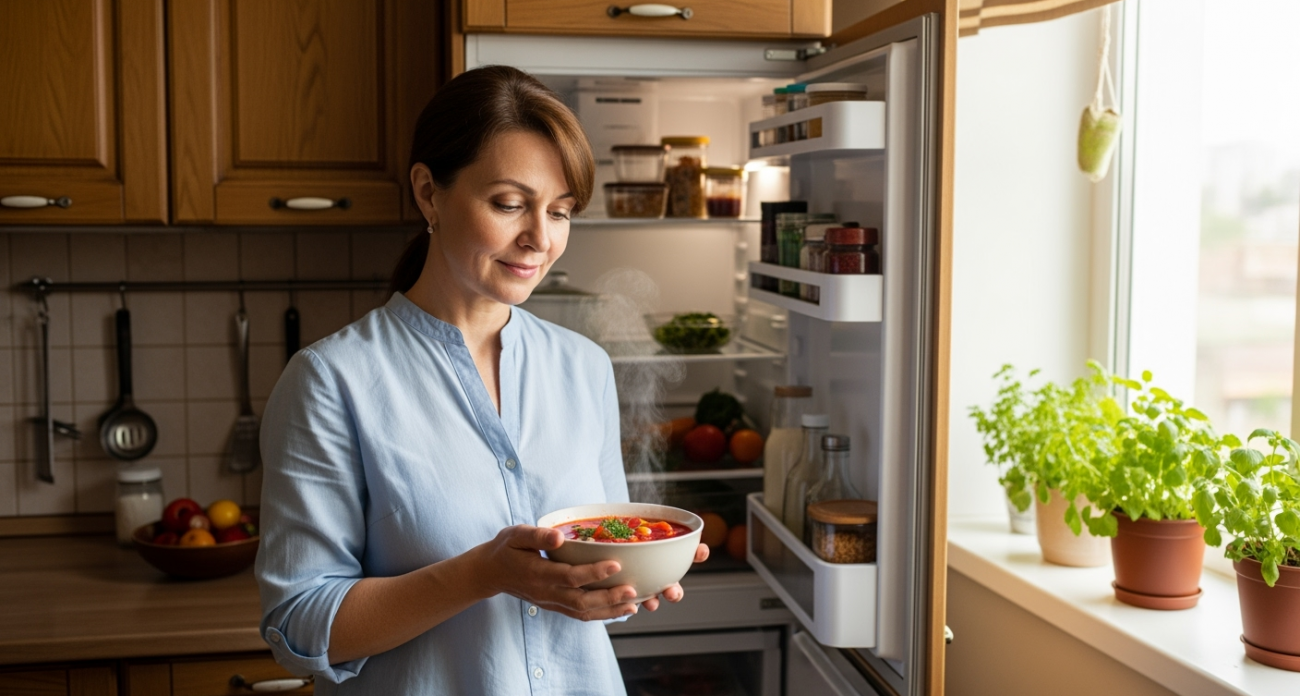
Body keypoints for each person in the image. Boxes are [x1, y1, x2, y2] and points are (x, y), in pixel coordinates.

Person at [255, 65, 708, 695]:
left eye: (561, 211)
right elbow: (300, 627)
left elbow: (604, 561)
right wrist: (484, 574)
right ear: (428, 192)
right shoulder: (331, 381)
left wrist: (631, 579)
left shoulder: (583, 367)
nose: (540, 241)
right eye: (510, 204)